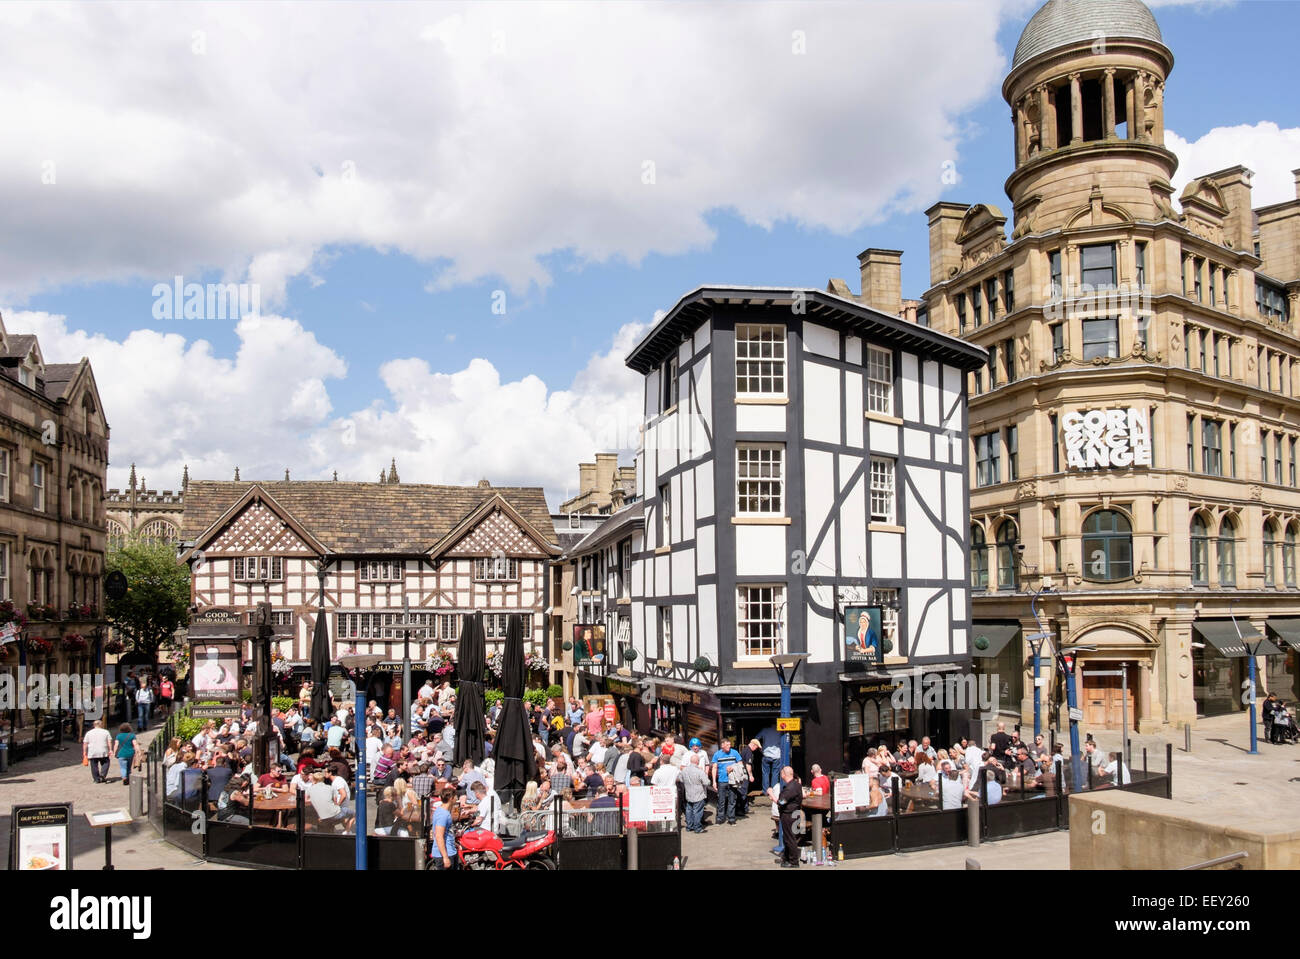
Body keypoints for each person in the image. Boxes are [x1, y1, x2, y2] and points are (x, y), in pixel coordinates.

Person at [711, 737, 742, 826]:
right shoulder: (717, 754)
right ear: (722, 745)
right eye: (727, 745)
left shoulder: (734, 752)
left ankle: (731, 819)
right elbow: (714, 768)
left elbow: (740, 764)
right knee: (721, 801)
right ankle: (720, 818)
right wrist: (714, 781)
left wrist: (733, 767)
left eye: (729, 744)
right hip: (722, 780)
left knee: (732, 800)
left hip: (733, 781)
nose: (729, 746)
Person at [775, 766, 802, 868]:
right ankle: (786, 858)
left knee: (790, 838)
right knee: (787, 837)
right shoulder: (796, 784)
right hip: (793, 813)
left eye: (781, 773)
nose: (780, 775)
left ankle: (794, 862)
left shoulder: (790, 788)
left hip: (789, 815)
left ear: (784, 775)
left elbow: (781, 802)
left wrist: (772, 795)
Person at [430, 787, 458, 869]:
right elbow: (439, 836)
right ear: (451, 798)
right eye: (455, 797)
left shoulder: (443, 811)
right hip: (444, 854)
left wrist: (454, 843)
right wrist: (445, 857)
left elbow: (446, 832)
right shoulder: (443, 815)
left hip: (449, 851)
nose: (456, 799)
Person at [680, 752, 709, 833]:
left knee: (689, 810)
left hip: (688, 794)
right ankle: (697, 828)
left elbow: (681, 779)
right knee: (698, 811)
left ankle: (689, 827)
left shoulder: (684, 770)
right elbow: (706, 782)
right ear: (698, 761)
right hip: (698, 794)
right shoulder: (700, 771)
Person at [83, 719, 112, 784]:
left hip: (92, 751)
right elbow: (109, 741)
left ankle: (96, 779)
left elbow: (85, 743)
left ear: (94, 725)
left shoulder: (89, 733)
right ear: (101, 724)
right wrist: (110, 749)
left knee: (94, 766)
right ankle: (102, 775)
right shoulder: (106, 732)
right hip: (103, 751)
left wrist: (84, 752)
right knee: (106, 763)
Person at [755, 726, 782, 791]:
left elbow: (756, 739)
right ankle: (774, 790)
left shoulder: (764, 730)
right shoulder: (779, 730)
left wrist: (760, 747)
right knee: (775, 773)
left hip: (766, 755)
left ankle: (765, 791)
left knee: (765, 773)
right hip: (777, 755)